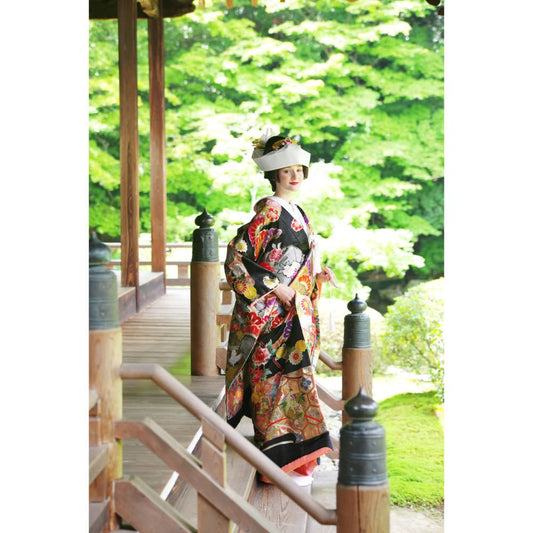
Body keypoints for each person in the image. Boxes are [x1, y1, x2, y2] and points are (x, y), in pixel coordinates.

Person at [224, 130, 336, 486]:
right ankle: (279, 460)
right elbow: (237, 256)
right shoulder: (270, 210)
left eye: (298, 170)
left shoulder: (298, 212)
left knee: (297, 383)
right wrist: (275, 286)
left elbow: (298, 260)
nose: (294, 176)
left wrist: (317, 276)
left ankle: (301, 459)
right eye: (287, 171)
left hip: (294, 314)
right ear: (274, 175)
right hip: (272, 315)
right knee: (272, 384)